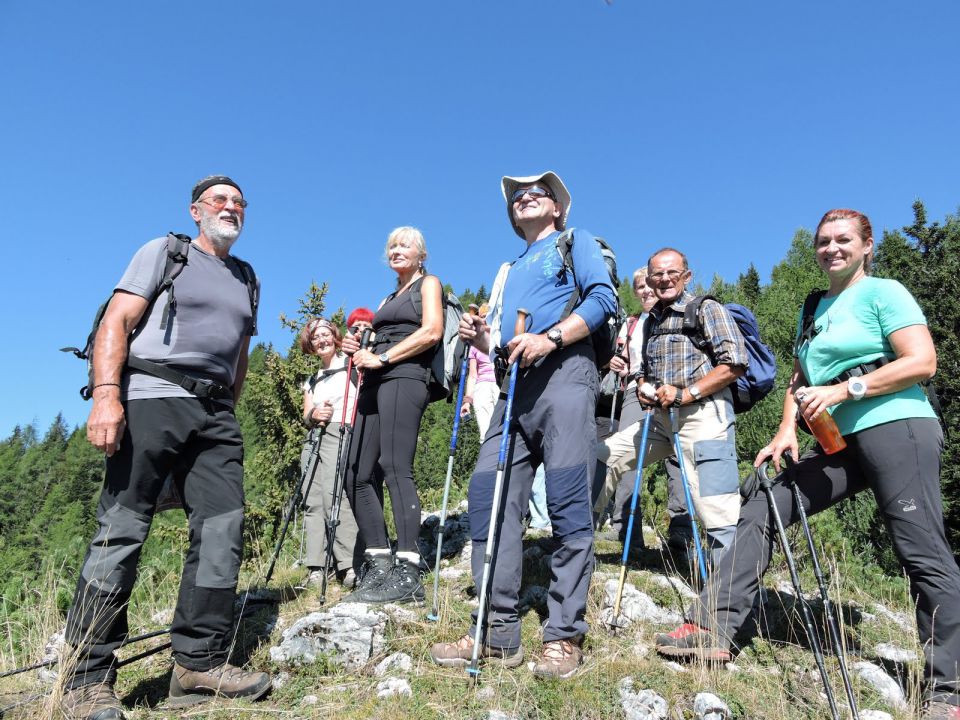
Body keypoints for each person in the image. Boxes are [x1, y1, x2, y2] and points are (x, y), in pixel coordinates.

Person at [656, 209, 960, 720]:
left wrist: (845, 388)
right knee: (765, 503)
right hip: (838, 440)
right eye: (823, 241)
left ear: (867, 245)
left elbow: (921, 361)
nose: (831, 249)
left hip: (897, 427)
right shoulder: (813, 307)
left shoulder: (884, 292)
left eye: (843, 240)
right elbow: (800, 379)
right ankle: (714, 628)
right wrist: (784, 432)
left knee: (920, 549)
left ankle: (947, 689)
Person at [61, 176, 270, 720]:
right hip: (153, 395)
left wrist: (226, 410)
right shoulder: (166, 252)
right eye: (219, 201)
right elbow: (118, 320)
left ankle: (197, 664)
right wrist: (107, 395)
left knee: (224, 527)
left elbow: (239, 355)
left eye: (239, 203)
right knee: (123, 528)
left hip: (216, 412)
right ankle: (85, 677)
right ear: (196, 211)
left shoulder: (248, 278)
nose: (231, 208)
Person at [430, 170, 617, 679]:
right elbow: (504, 346)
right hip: (516, 390)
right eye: (517, 196)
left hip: (566, 378)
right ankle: (497, 630)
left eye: (537, 193)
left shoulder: (576, 243)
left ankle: (563, 635)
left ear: (557, 207)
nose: (525, 198)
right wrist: (481, 338)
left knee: (567, 502)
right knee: (488, 496)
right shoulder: (509, 269)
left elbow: (603, 302)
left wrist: (551, 338)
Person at [598, 247, 747, 565]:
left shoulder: (705, 309)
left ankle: (728, 595)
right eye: (657, 274)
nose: (664, 279)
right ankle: (573, 539)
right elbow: (646, 371)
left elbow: (735, 362)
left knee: (716, 504)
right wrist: (643, 387)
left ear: (686, 276)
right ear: (649, 280)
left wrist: (687, 394)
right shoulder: (651, 321)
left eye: (672, 273)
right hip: (661, 419)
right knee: (602, 458)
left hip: (705, 416)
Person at [340, 227, 444, 605]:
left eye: (406, 245)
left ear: (421, 255)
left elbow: (432, 331)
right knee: (356, 471)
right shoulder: (388, 297)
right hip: (374, 380)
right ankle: (379, 561)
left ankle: (409, 567)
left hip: (404, 376)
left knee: (395, 464)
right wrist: (358, 345)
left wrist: (383, 356)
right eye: (392, 246)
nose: (397, 251)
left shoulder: (428, 284)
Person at [298, 317, 362, 590]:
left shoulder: (351, 368)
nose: (321, 340)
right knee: (312, 499)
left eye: (325, 334)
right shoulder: (312, 380)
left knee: (335, 495)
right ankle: (316, 565)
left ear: (334, 338)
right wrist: (314, 414)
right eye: (316, 337)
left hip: (339, 432)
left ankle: (348, 564)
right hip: (314, 437)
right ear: (310, 344)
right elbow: (306, 415)